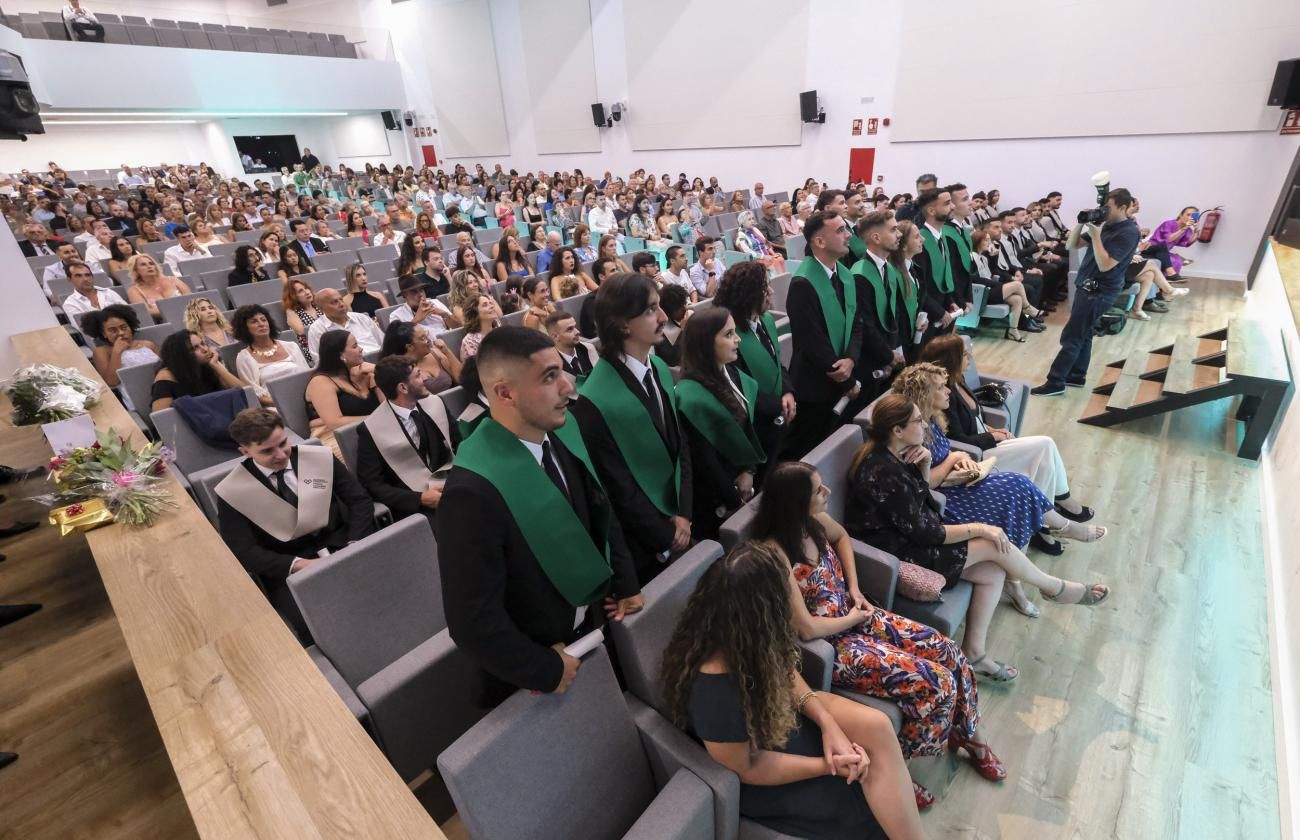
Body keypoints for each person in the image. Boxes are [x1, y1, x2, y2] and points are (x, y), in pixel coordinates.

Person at [753, 462, 1002, 808]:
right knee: (936, 682)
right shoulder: (776, 556)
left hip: (859, 615)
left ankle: (969, 734)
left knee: (948, 650)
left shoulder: (815, 522)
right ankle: (896, 767)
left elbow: (841, 538)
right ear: (795, 502)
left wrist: (853, 588)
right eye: (818, 491)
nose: (827, 493)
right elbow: (805, 628)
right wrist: (851, 618)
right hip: (836, 645)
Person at [659, 541, 924, 840]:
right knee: (859, 804)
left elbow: (783, 668)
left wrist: (828, 725)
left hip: (776, 718)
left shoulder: (740, 636)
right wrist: (827, 767)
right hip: (761, 767)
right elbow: (748, 768)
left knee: (876, 727)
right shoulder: (715, 692)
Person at [436, 326, 642, 706]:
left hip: (592, 626)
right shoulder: (471, 493)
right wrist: (545, 668)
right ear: (504, 393)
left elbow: (601, 509)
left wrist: (625, 582)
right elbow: (472, 621)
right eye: (549, 377)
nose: (569, 386)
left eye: (562, 371)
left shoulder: (558, 431)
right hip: (537, 667)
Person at [848, 394, 1111, 684]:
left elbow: (921, 503)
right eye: (917, 420)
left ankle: (974, 652)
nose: (925, 424)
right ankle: (1055, 588)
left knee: (994, 568)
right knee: (991, 542)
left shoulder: (898, 454)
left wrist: (923, 467)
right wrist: (980, 528)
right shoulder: (881, 471)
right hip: (899, 554)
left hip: (912, 538)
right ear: (897, 430)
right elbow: (926, 532)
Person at [572, 273, 693, 583]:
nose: (664, 317)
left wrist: (684, 512)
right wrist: (665, 532)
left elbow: (680, 447)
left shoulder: (661, 370)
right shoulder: (594, 400)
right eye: (652, 309)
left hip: (682, 521)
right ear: (623, 323)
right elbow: (617, 488)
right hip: (644, 546)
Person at [216, 408, 374, 641]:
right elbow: (243, 550)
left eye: (283, 443)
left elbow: (359, 500)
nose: (280, 455)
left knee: (383, 597)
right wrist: (297, 565)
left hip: (344, 543)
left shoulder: (318, 458)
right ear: (245, 451)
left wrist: (355, 542)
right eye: (267, 451)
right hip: (290, 564)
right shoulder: (233, 491)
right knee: (322, 631)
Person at [919, 334, 1095, 525]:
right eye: (964, 353)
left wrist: (993, 429)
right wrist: (993, 436)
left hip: (985, 440)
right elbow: (959, 440)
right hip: (978, 454)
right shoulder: (944, 395)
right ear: (951, 360)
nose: (970, 355)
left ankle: (1048, 513)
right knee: (1044, 446)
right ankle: (1057, 507)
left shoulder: (958, 380)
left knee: (1044, 455)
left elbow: (976, 418)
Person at [1032, 188, 1143, 395]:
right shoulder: (1106, 225)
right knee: (1084, 334)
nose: (1104, 211)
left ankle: (1055, 382)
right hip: (1087, 287)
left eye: (1108, 208)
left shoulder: (1128, 232)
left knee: (1072, 336)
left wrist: (1096, 236)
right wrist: (1082, 222)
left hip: (1100, 291)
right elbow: (1072, 244)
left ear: (1123, 207)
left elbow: (1106, 265)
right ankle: (1076, 376)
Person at [675, 308, 764, 540]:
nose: (737, 339)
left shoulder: (731, 373)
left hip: (744, 483)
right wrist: (735, 499)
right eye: (728, 334)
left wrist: (749, 470)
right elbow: (706, 461)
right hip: (717, 500)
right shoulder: (690, 395)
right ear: (706, 343)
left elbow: (747, 431)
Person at [785, 211, 862, 457]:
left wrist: (851, 359)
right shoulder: (802, 283)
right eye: (840, 231)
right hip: (814, 386)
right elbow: (811, 341)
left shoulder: (845, 275)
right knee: (815, 450)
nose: (848, 235)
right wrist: (846, 379)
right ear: (819, 242)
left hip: (844, 374)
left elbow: (856, 322)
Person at [713, 261, 795, 476]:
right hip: (754, 429)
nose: (771, 291)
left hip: (779, 419)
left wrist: (787, 391)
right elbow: (735, 387)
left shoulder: (765, 320)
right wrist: (778, 405)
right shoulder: (728, 335)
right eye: (764, 287)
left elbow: (778, 364)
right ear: (747, 294)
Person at [356, 356, 456, 530]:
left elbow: (458, 443)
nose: (425, 378)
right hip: (416, 506)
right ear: (402, 387)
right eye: (418, 376)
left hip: (452, 483)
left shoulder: (435, 403)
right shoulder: (372, 429)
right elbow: (373, 484)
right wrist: (419, 499)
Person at [306, 330, 382, 435]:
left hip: (371, 430)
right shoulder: (320, 382)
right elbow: (334, 423)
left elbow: (388, 405)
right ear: (341, 355)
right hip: (333, 437)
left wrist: (378, 371)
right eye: (355, 346)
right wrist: (380, 418)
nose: (361, 349)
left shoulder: (364, 372)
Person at [150, 329, 246, 412]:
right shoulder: (165, 378)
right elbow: (162, 419)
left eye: (203, 344)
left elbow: (245, 393)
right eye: (195, 348)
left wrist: (217, 366)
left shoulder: (209, 365)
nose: (204, 349)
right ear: (182, 355)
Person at [909, 189, 963, 337]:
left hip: (945, 310)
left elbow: (944, 276)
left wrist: (951, 301)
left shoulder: (941, 237)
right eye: (947, 203)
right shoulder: (921, 242)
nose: (953, 207)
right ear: (932, 210)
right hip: (928, 315)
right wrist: (939, 312)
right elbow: (919, 286)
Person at [231, 304, 309, 405]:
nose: (261, 324)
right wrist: (285, 404)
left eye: (263, 320)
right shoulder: (244, 357)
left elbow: (307, 376)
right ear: (245, 328)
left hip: (305, 398)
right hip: (274, 405)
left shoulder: (291, 346)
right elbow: (255, 394)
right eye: (254, 322)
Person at [83, 304, 160, 391]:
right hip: (134, 393)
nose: (121, 333)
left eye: (124, 327)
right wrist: (116, 353)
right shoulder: (102, 351)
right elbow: (111, 382)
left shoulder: (148, 344)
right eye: (113, 330)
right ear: (104, 333)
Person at [380, 320, 461, 395]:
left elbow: (460, 378)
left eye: (426, 335)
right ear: (410, 347)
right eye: (423, 338)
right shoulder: (402, 371)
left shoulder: (435, 353)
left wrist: (447, 351)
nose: (428, 340)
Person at [306, 287, 385, 360]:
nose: (341, 304)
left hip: (380, 360)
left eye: (341, 299)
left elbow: (383, 342)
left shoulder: (362, 318)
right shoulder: (317, 330)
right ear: (321, 308)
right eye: (334, 302)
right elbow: (320, 360)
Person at [125, 253, 191, 321]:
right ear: (136, 270)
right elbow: (146, 312)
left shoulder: (173, 280)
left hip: (189, 316)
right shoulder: (134, 291)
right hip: (164, 322)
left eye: (151, 263)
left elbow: (191, 298)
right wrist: (177, 308)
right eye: (143, 264)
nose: (149, 266)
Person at [390, 273, 457, 336]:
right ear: (404, 296)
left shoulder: (435, 303)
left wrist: (444, 314)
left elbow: (457, 328)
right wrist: (416, 320)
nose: (420, 295)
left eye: (421, 290)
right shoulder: (396, 315)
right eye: (414, 292)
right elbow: (399, 343)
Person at [1145, 205, 1200, 281]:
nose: (1189, 217)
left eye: (1193, 216)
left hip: (1165, 252)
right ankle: (1165, 278)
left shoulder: (1188, 230)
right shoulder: (1168, 224)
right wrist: (1184, 228)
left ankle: (1168, 280)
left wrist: (1196, 231)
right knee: (1173, 260)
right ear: (1180, 215)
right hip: (1153, 248)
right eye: (1188, 214)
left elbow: (1187, 243)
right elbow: (1169, 239)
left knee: (1177, 261)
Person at [61, 260, 127, 319]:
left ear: (92, 277)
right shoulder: (70, 303)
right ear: (69, 279)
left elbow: (129, 312)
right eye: (78, 276)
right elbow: (83, 328)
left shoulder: (108, 292)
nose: (85, 279)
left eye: (87, 275)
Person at [545, 310, 596, 383]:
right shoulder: (550, 365)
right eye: (570, 329)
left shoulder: (588, 348)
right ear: (555, 336)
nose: (577, 332)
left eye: (575, 327)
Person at [283, 278, 324, 364]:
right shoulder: (293, 313)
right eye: (300, 291)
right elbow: (300, 331)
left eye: (306, 288)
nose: (307, 292)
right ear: (293, 297)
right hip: (312, 350)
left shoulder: (318, 305)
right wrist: (289, 309)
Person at [736, 210, 788, 274]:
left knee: (780, 259)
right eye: (749, 219)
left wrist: (773, 254)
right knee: (775, 262)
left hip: (766, 256)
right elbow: (747, 251)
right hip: (755, 259)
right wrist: (764, 257)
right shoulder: (741, 235)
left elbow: (765, 242)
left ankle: (785, 280)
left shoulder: (755, 229)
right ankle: (778, 281)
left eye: (753, 218)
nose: (752, 221)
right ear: (742, 223)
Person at [459, 293, 503, 361]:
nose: (492, 306)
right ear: (475, 313)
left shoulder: (498, 328)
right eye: (485, 305)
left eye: (490, 303)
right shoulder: (470, 342)